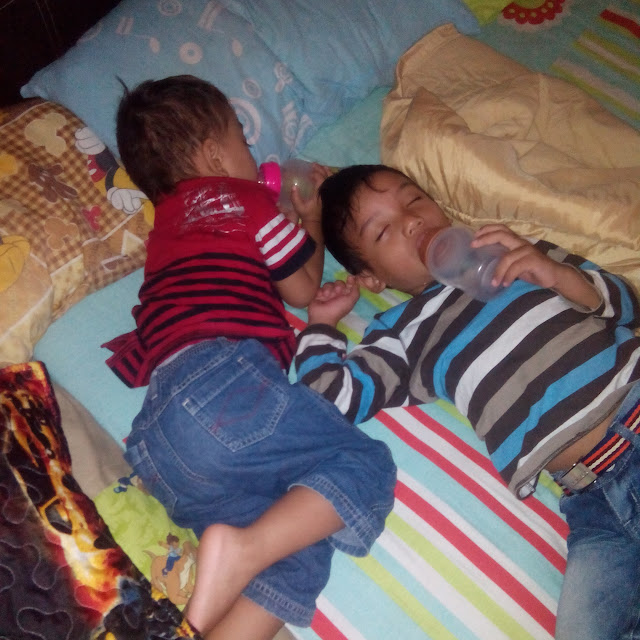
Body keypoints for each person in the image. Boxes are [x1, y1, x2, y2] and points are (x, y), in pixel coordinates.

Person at [294, 164, 640, 640]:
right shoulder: (403, 331)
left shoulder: (513, 252)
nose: (411, 221)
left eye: (413, 200)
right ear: (371, 278)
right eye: (384, 230)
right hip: (590, 501)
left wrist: (558, 275)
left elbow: (625, 304)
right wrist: (321, 325)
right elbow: (329, 400)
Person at [103, 81, 396, 640]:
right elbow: (302, 288)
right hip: (221, 390)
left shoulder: (164, 229)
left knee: (297, 545)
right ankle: (238, 551)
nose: (251, 151)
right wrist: (310, 218)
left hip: (161, 447)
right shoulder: (244, 199)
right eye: (242, 139)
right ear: (215, 156)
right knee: (363, 467)